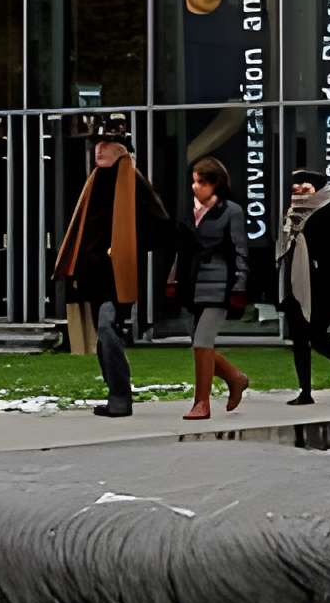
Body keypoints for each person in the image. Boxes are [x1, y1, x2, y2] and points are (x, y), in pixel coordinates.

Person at [51, 126, 177, 419]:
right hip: (93, 274)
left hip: (115, 275)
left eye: (106, 144)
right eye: (97, 144)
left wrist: (125, 247)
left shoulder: (131, 180)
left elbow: (161, 227)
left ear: (121, 150)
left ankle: (120, 397)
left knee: (108, 328)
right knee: (103, 335)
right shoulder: (94, 181)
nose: (99, 149)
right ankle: (115, 393)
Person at [272, 166, 330, 404]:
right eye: (295, 189)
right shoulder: (291, 210)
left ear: (317, 187)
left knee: (316, 334)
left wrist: (316, 259)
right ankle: (305, 392)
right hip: (294, 279)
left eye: (305, 188)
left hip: (322, 281)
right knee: (299, 337)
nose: (300, 192)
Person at [180, 158, 254, 420]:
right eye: (194, 180)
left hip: (220, 284)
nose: (195, 186)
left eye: (202, 181)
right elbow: (183, 249)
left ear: (215, 184)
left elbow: (240, 250)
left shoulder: (230, 211)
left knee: (202, 342)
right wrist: (171, 279)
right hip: (193, 283)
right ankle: (235, 377)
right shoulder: (189, 211)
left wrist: (239, 286)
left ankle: (202, 403)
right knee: (199, 344)